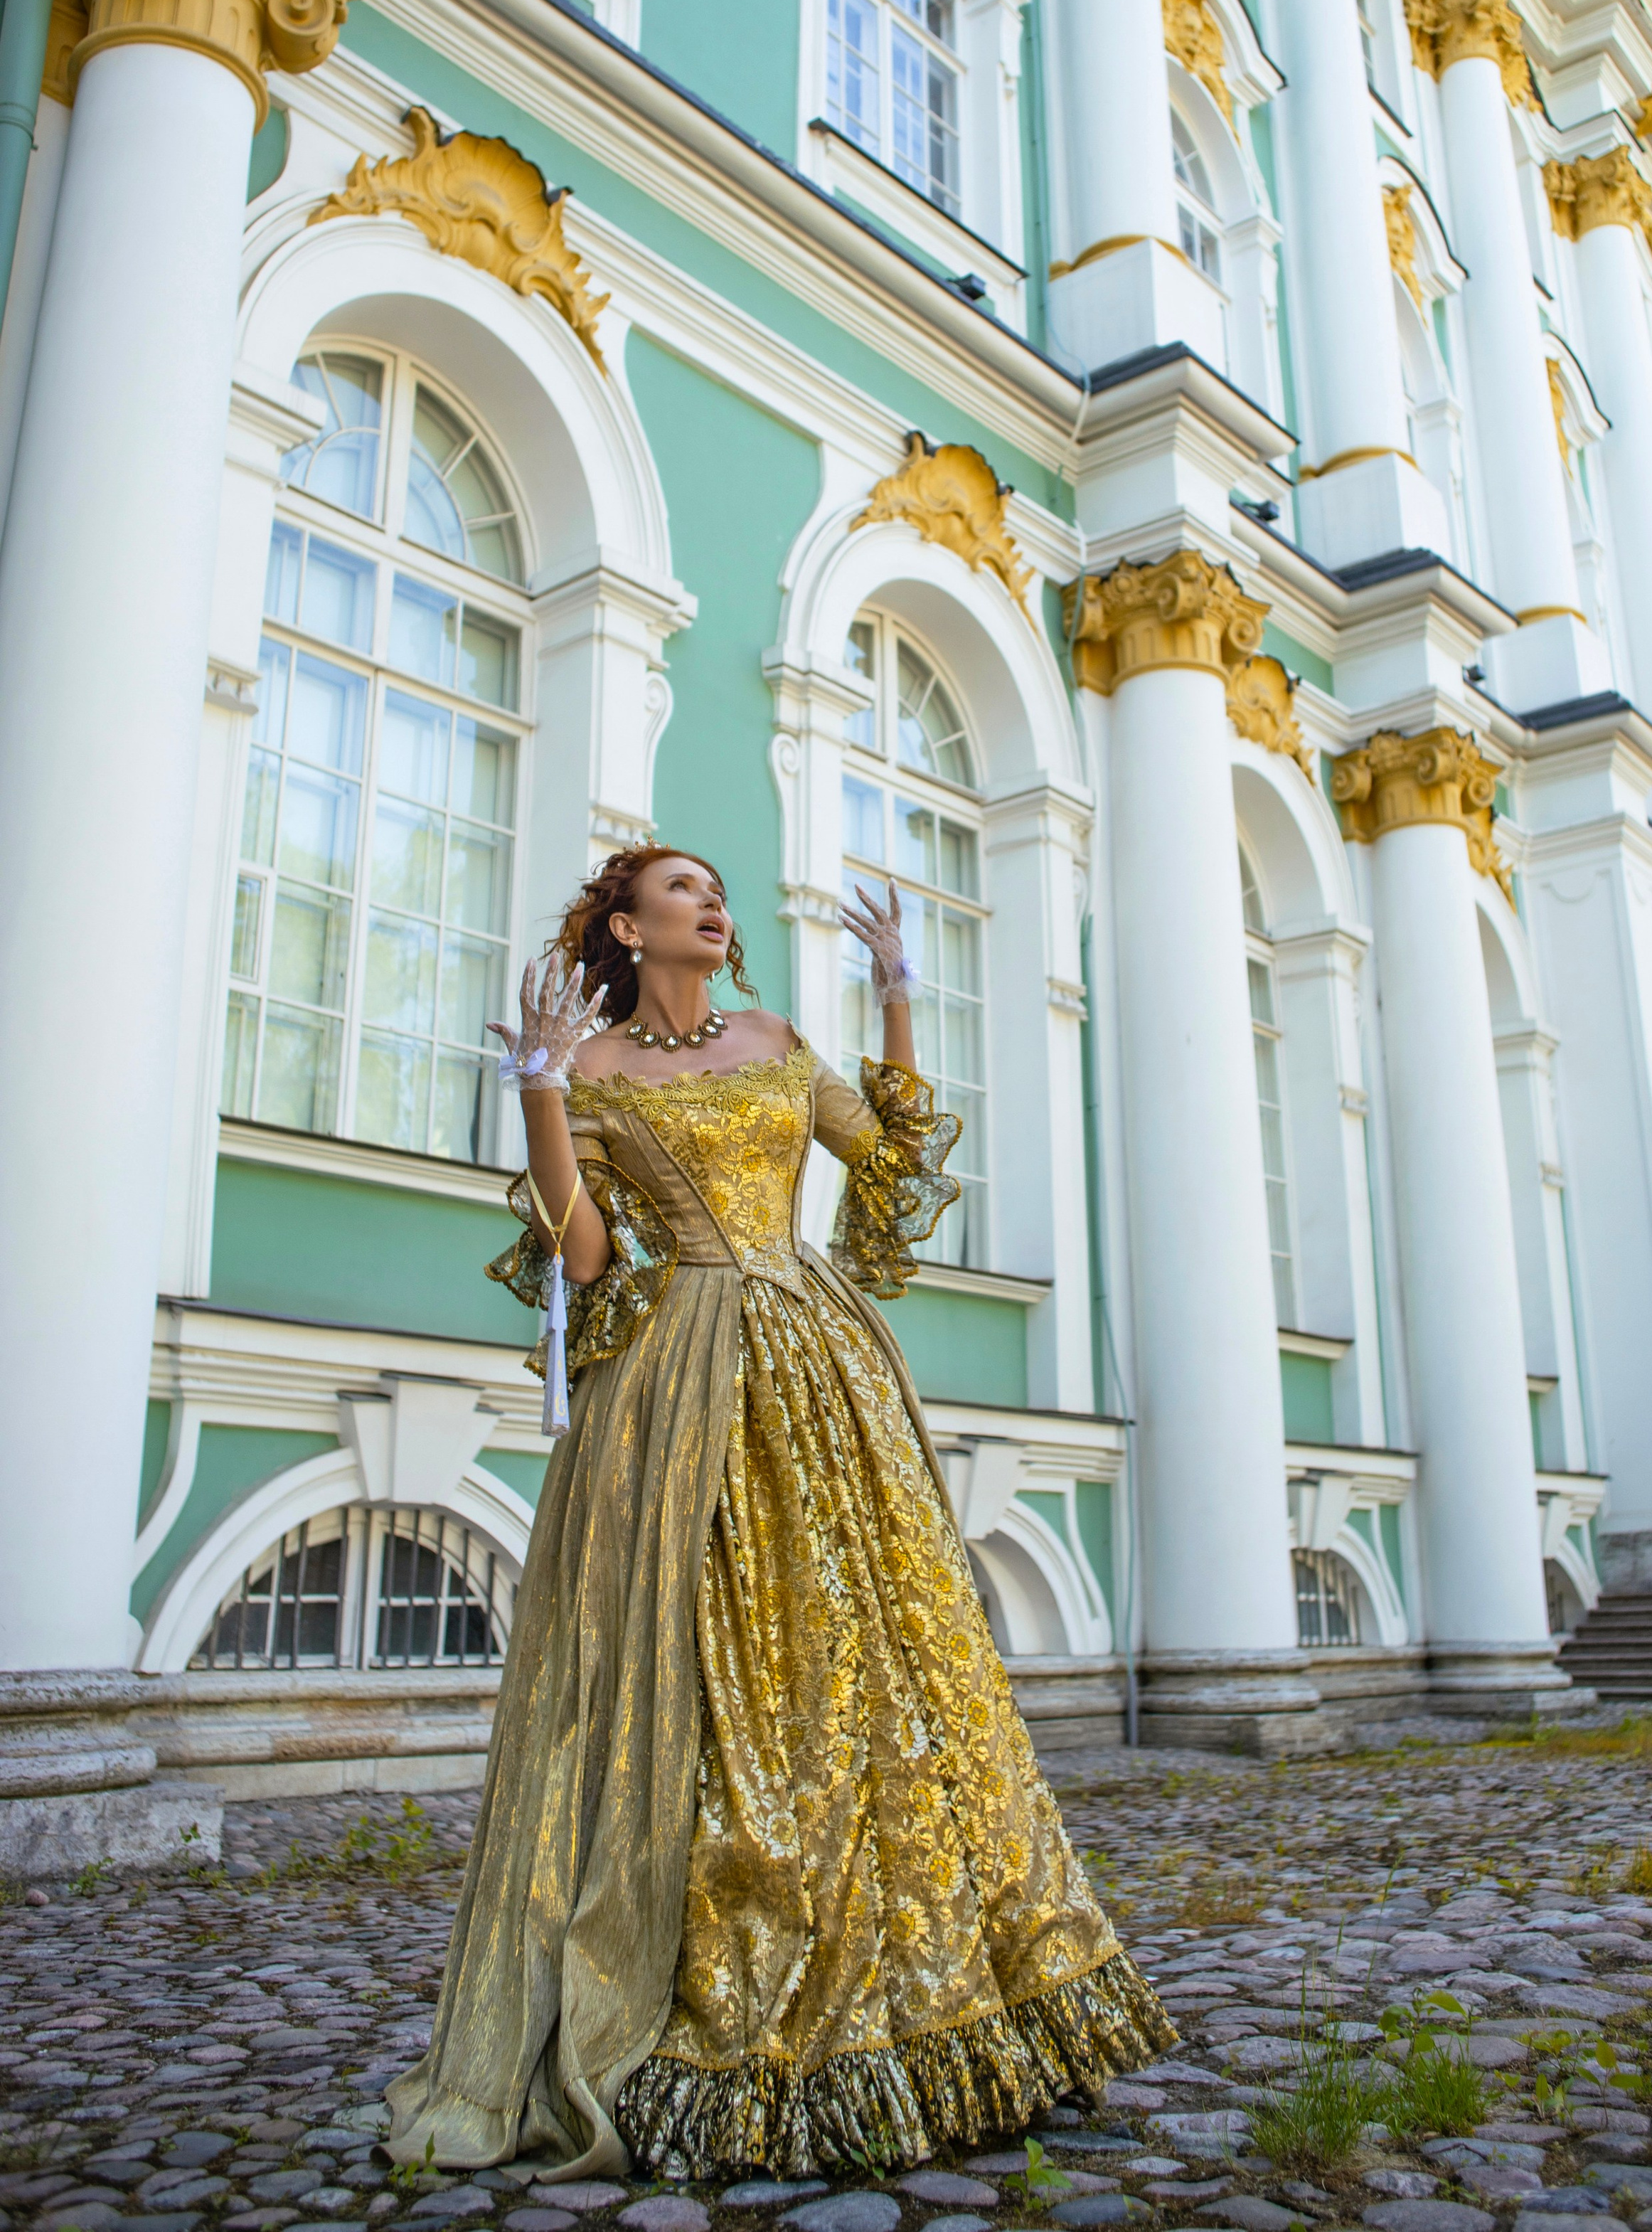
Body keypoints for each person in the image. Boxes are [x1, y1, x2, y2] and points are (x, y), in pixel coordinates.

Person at [386, 842, 1173, 2183]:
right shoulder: (595, 1068)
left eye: (716, 890)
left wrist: (899, 1000)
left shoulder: (774, 1038)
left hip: (819, 1357)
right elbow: (586, 1260)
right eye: (681, 890)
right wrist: (537, 1092)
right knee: (705, 1675)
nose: (712, 903)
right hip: (677, 1382)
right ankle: (713, 1993)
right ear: (627, 929)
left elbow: (887, 1165)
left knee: (875, 1665)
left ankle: (948, 2001)